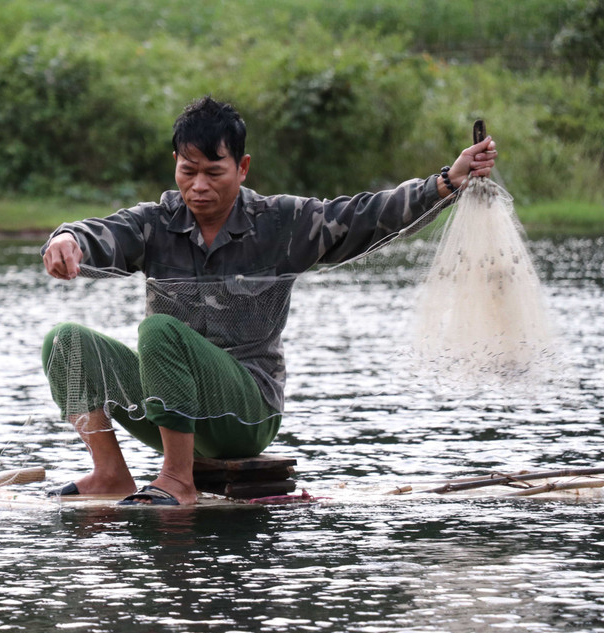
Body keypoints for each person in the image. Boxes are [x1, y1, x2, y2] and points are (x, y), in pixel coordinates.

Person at [41, 96, 497, 505]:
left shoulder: (281, 223)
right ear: (175, 165)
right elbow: (101, 232)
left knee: (159, 332)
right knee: (66, 342)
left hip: (245, 411)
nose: (198, 186)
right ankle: (110, 473)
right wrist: (67, 239)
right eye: (187, 171)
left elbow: (364, 215)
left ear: (242, 168)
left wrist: (445, 182)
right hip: (169, 407)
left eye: (214, 172)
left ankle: (178, 480)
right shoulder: (156, 223)